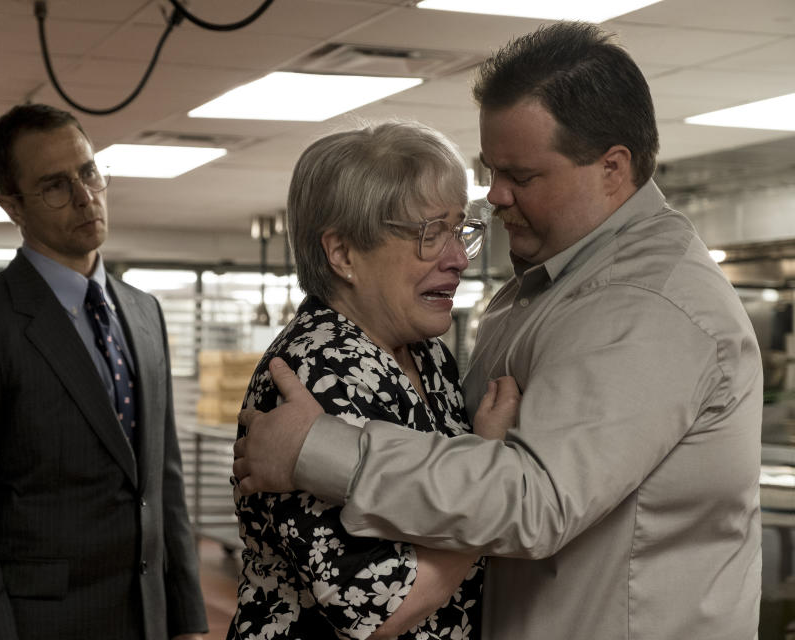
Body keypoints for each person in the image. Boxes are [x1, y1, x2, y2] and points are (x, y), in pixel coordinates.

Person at [233, 22, 763, 640]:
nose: (498, 195)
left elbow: (536, 503)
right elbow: (375, 598)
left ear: (612, 169)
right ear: (344, 253)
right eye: (491, 171)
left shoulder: (647, 305)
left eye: (522, 175)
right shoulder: (538, 290)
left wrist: (318, 449)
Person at [0, 103, 207, 640]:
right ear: (12, 206)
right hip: (41, 622)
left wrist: (186, 617)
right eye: (54, 185)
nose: (83, 196)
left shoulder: (144, 312)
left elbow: (163, 480)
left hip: (147, 617)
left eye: (89, 171)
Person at [228, 121, 520, 640]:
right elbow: (379, 604)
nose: (457, 259)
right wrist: (492, 466)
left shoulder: (427, 355)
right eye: (431, 234)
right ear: (342, 255)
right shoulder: (314, 371)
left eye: (460, 231)